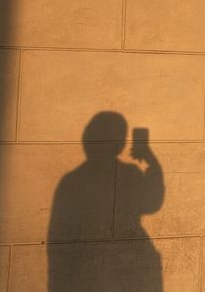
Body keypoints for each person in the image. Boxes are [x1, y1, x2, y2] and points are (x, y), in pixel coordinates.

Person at [48, 111, 164, 291]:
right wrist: (152, 162)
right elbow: (152, 202)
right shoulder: (129, 173)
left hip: (90, 271)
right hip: (129, 266)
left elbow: (57, 237)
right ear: (120, 143)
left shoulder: (72, 180)